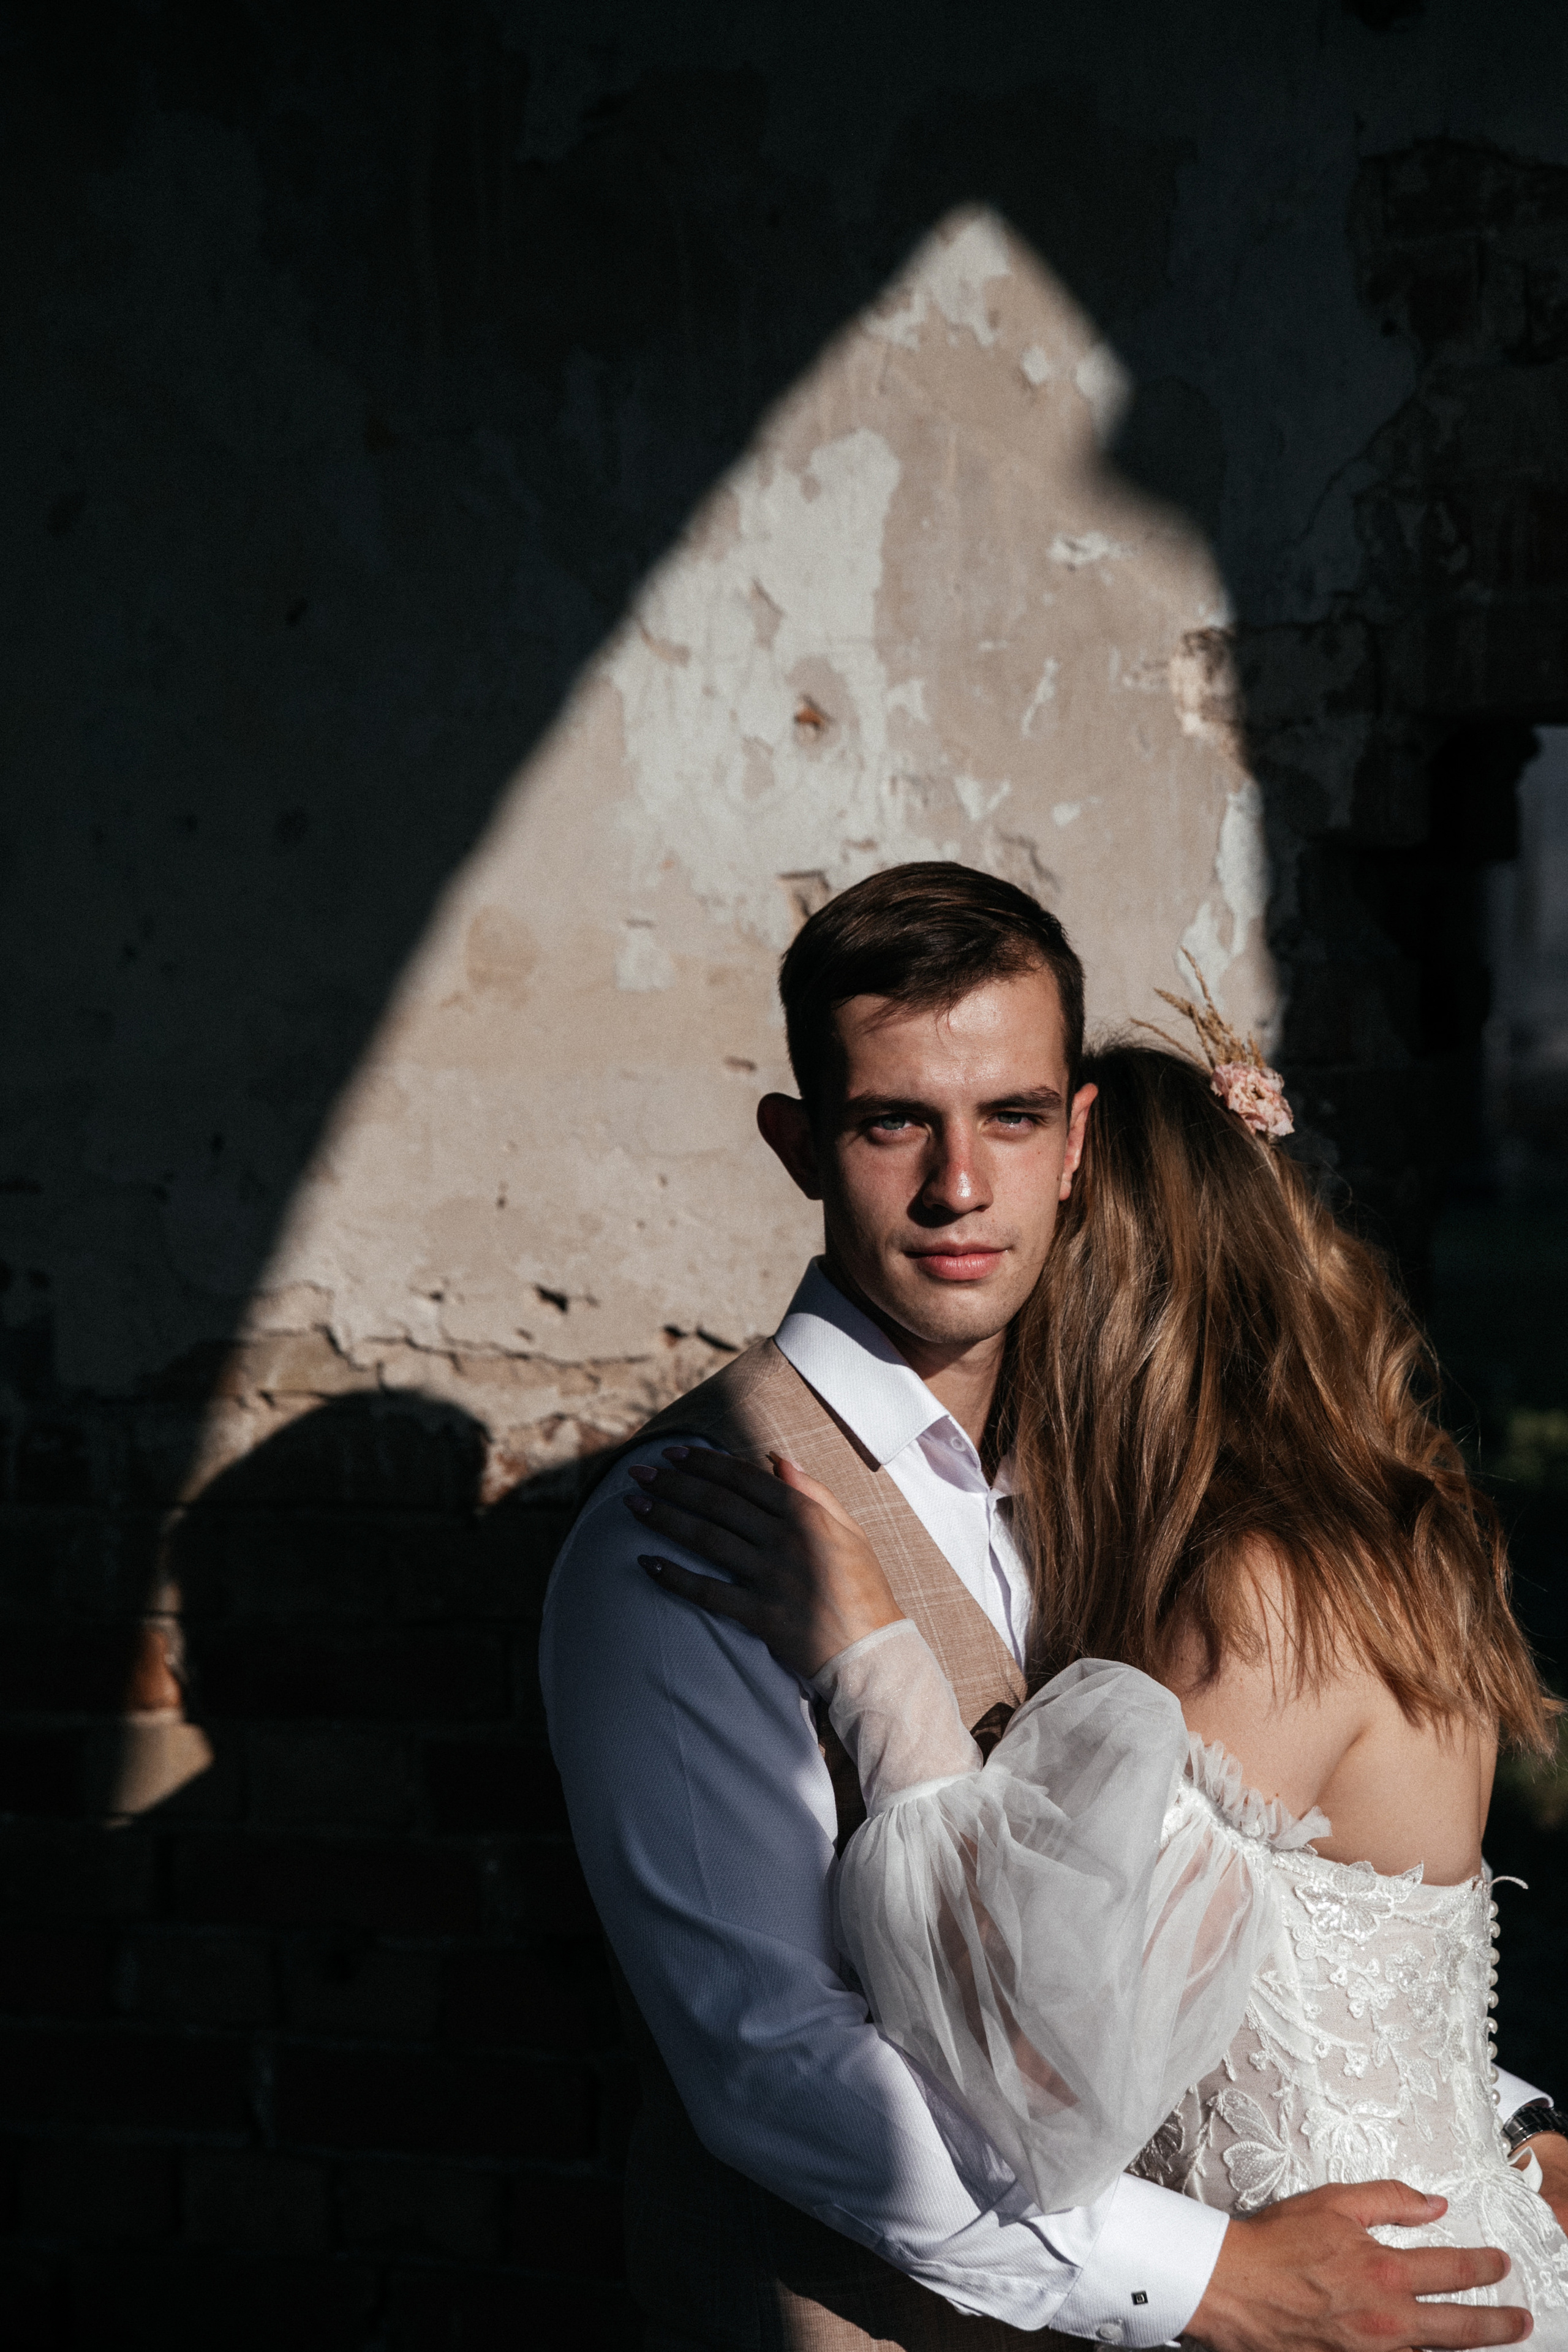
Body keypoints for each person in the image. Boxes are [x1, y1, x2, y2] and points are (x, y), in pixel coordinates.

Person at [540, 862, 1559, 2352]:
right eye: (892, 1122)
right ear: (799, 1144)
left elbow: (1260, 1929)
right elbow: (773, 2064)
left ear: (1074, 1141)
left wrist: (1484, 2118)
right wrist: (1205, 2280)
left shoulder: (1127, 1488)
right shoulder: (697, 1528)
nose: (958, 1187)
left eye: (1008, 1117)